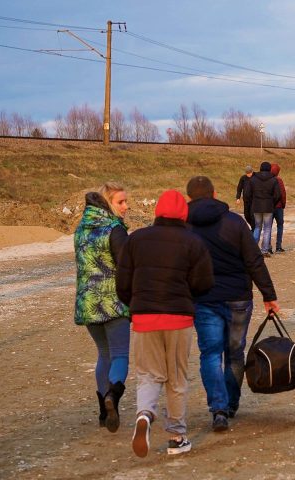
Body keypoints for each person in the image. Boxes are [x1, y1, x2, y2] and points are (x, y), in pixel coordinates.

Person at [117, 190, 213, 458]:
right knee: (176, 379)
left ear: (157, 211)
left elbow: (122, 284)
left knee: (148, 375)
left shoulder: (136, 239)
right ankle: (177, 436)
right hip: (178, 319)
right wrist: (186, 296)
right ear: (184, 213)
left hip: (144, 318)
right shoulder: (193, 242)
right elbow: (204, 283)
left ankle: (145, 414)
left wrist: (136, 304)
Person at [185, 176, 279, 433]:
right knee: (235, 353)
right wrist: (269, 295)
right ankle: (230, 404)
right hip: (238, 298)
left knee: (210, 354)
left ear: (189, 197)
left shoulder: (184, 225)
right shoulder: (235, 222)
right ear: (214, 194)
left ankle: (218, 409)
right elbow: (254, 260)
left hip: (203, 300)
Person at [74, 182, 130, 433]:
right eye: (121, 202)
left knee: (103, 354)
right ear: (108, 203)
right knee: (119, 355)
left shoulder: (81, 229)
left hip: (88, 303)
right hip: (114, 302)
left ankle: (102, 411)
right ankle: (114, 398)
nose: (126, 207)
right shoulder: (115, 230)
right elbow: (126, 268)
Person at [247, 162, 281, 257]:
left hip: (256, 206)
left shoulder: (253, 179)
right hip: (268, 207)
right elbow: (278, 195)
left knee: (257, 227)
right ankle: (264, 250)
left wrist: (252, 202)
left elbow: (247, 194)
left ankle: (253, 250)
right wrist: (272, 203)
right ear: (269, 169)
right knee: (267, 228)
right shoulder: (274, 180)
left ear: (260, 168)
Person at [270, 163, 287, 253]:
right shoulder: (279, 180)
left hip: (269, 207)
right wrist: (283, 204)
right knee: (280, 226)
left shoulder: (267, 180)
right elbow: (283, 194)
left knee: (268, 227)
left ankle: (268, 247)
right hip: (279, 207)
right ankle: (278, 246)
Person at [234, 165, 255, 230]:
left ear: (252, 172)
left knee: (252, 215)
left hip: (254, 200)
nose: (249, 175)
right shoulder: (243, 178)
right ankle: (254, 227)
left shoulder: (256, 177)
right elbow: (239, 188)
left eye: (250, 173)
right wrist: (238, 198)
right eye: (247, 173)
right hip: (246, 200)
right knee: (246, 215)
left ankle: (254, 229)